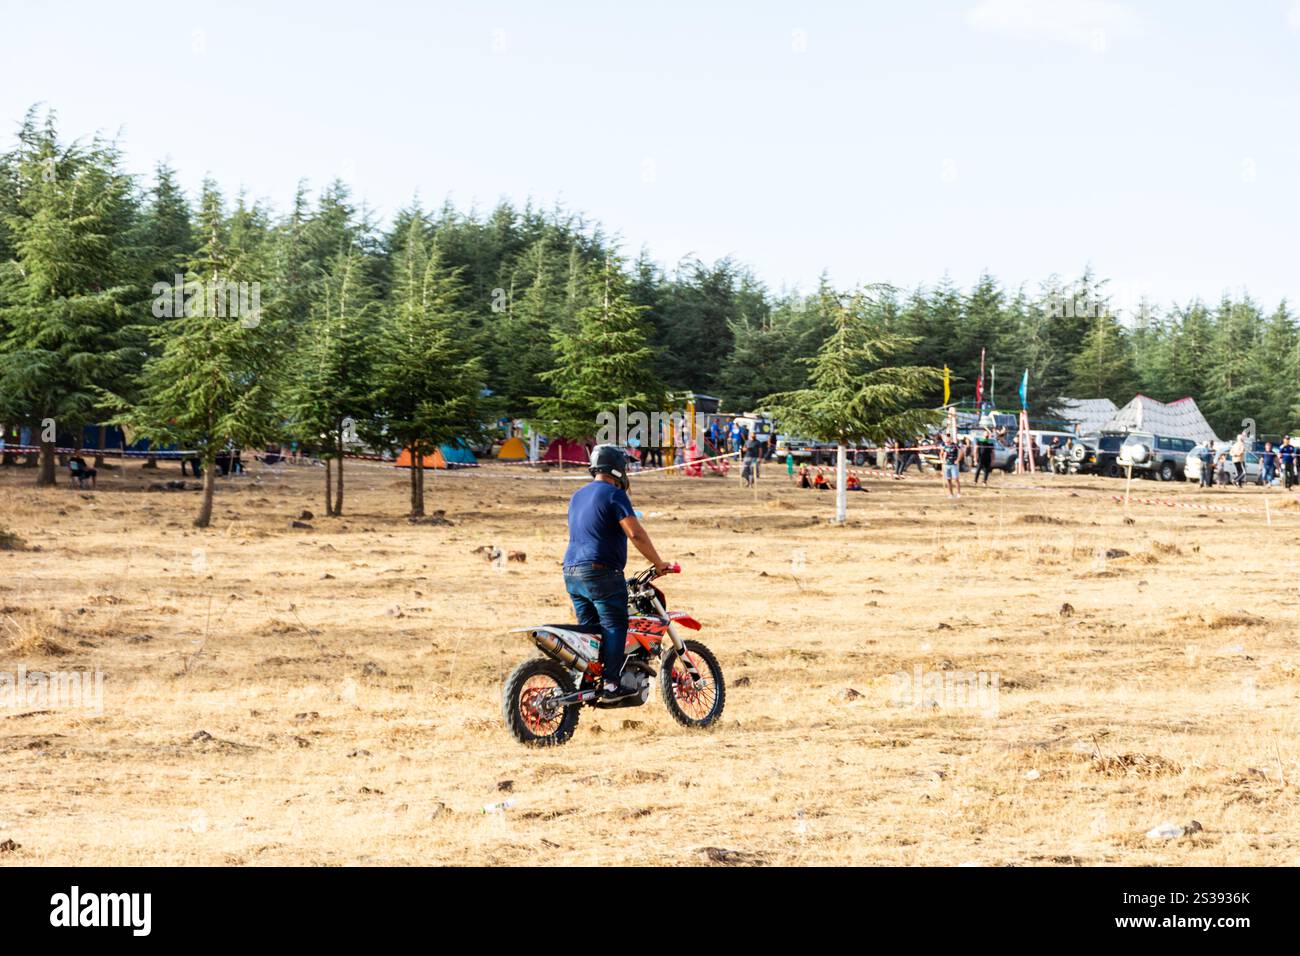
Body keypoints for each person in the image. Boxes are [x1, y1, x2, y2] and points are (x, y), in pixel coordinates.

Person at [563, 445, 672, 700]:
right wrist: (657, 562)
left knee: (591, 633)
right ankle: (611, 684)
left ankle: (588, 682)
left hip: (571, 572)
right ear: (617, 469)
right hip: (600, 572)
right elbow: (635, 533)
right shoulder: (614, 495)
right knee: (615, 623)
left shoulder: (577, 495)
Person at [938, 433, 964, 498]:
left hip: (954, 465)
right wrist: (942, 460)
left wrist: (958, 460)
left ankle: (958, 493)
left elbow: (961, 452)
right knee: (948, 479)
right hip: (946, 465)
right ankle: (951, 494)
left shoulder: (955, 445)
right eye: (945, 440)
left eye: (947, 440)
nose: (946, 441)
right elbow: (941, 453)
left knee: (956, 479)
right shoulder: (944, 446)